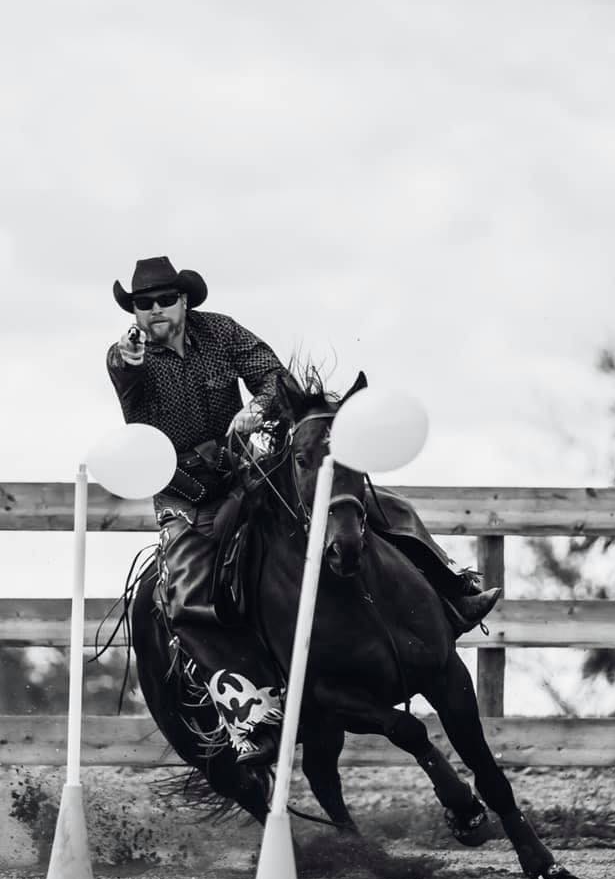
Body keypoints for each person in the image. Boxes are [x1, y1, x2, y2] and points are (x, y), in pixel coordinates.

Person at [107, 256, 501, 765]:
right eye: (143, 304)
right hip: (183, 494)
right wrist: (125, 359)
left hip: (244, 471)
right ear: (134, 312)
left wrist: (257, 409)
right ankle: (249, 707)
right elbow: (126, 379)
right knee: (184, 593)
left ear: (183, 300)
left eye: (164, 299)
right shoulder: (127, 357)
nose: (154, 310)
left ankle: (452, 590)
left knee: (372, 505)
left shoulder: (221, 332)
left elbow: (274, 378)